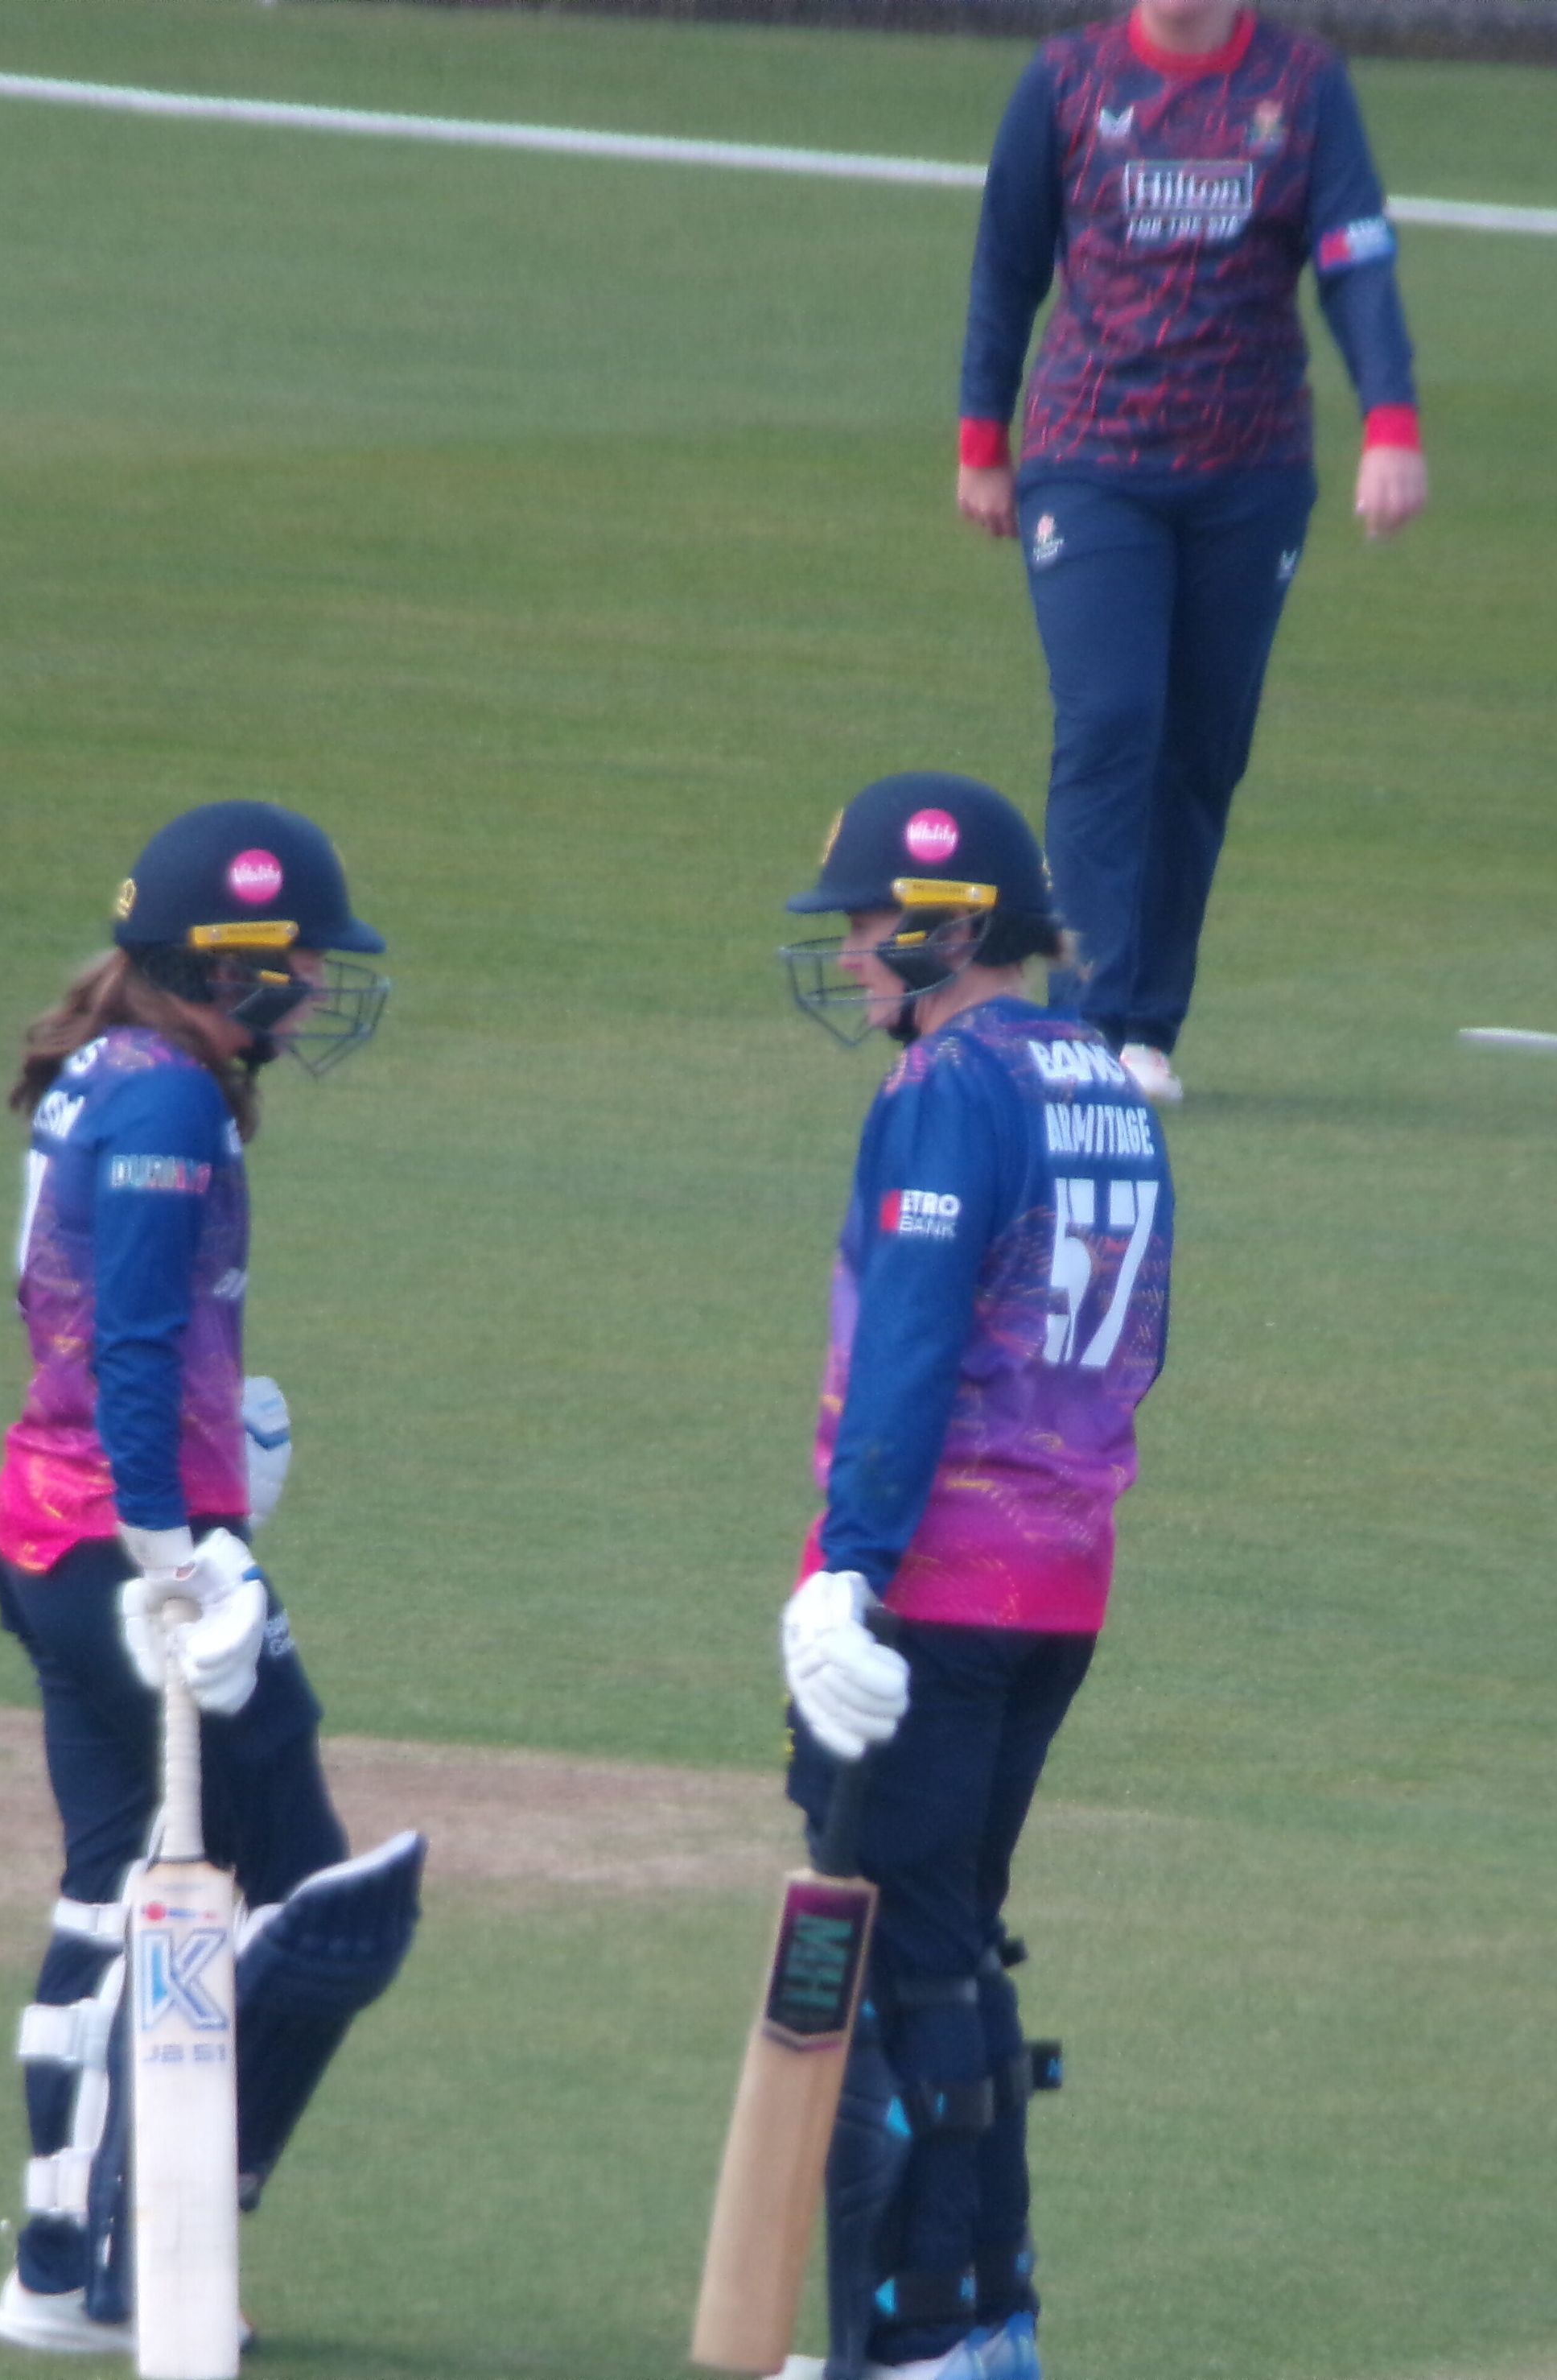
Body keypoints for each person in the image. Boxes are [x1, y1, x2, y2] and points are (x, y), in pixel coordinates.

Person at [0, 799, 426, 2353]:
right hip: (130, 1545)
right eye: (296, 956)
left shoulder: (110, 1070)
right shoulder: (169, 1104)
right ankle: (153, 2248)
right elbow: (134, 1343)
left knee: (111, 1878)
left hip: (46, 1526)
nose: (315, 982)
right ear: (220, 964)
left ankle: (60, 2251)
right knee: (321, 1894)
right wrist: (183, 1546)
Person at [772, 773, 1175, 2380]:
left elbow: (915, 1348)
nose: (856, 958)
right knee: (951, 1938)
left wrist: (846, 1570)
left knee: (891, 1964)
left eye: (872, 929)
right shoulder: (1105, 1077)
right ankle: (984, 2314)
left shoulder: (947, 1087)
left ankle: (925, 2334)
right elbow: (1143, 1339)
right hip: (1063, 1583)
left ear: (949, 928)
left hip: (933, 1589)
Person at [957, 0, 1427, 1103]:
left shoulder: (1302, 88)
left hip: (1249, 474)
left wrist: (1391, 423)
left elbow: (1354, 260)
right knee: (1110, 722)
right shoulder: (1066, 81)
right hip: (1091, 457)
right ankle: (1082, 1019)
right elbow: (1007, 259)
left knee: (1200, 749)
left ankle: (1145, 1027)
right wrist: (985, 436)